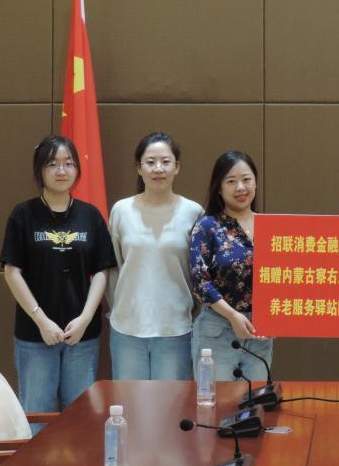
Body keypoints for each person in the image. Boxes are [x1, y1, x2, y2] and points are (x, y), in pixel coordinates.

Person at [0, 136, 116, 429]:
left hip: (82, 335)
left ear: (77, 169)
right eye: (52, 164)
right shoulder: (22, 215)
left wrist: (86, 317)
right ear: (39, 170)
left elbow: (102, 271)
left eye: (68, 163)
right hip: (35, 334)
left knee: (81, 417)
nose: (61, 171)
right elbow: (12, 272)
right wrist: (41, 320)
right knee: (36, 415)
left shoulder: (90, 216)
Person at [107, 132, 203, 381]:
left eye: (165, 162)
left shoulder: (193, 212)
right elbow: (113, 268)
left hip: (175, 329)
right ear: (139, 168)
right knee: (129, 402)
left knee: (171, 403)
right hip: (127, 328)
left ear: (177, 167)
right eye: (150, 162)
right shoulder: (121, 210)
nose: (158, 168)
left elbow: (199, 274)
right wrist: (118, 308)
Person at [189, 150, 271, 382]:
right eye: (231, 181)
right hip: (216, 330)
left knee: (256, 399)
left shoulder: (270, 226)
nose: (241, 187)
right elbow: (200, 281)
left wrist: (275, 318)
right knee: (218, 400)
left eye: (246, 179)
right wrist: (233, 315)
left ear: (255, 182)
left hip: (259, 333)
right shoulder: (207, 226)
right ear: (219, 187)